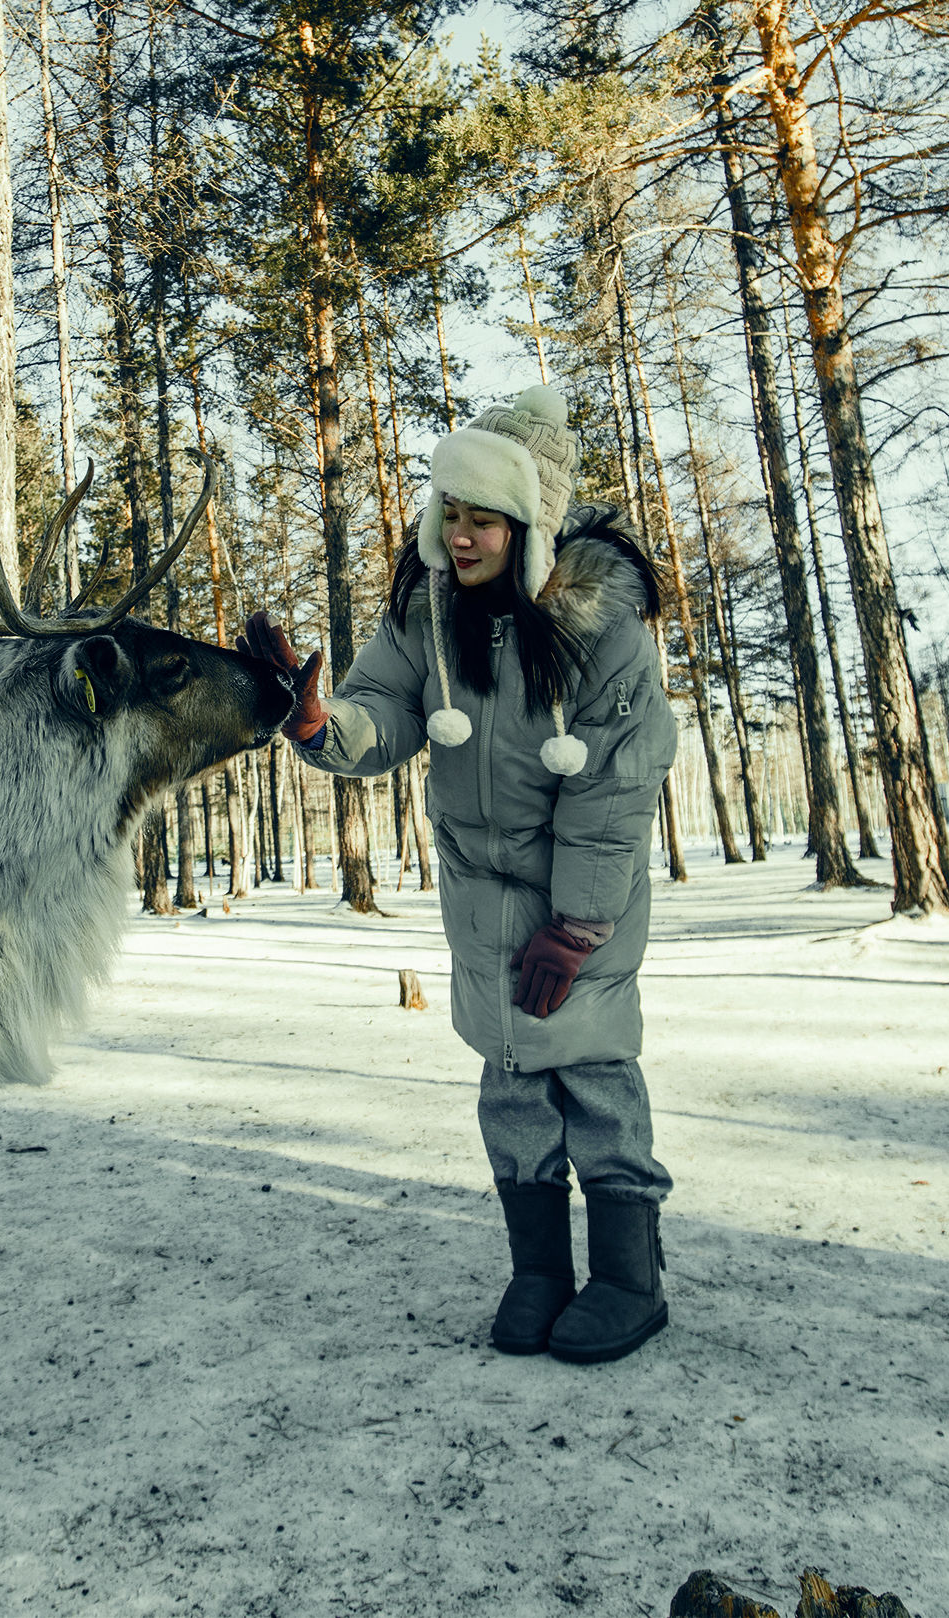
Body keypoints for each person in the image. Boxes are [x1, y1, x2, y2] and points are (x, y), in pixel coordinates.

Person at [240, 384, 680, 1364]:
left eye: (484, 518)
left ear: (527, 523)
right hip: (476, 896)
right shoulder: (428, 610)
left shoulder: (600, 624)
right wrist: (317, 725)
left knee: (593, 1073)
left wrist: (580, 925)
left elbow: (614, 788)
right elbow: (383, 710)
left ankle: (626, 1278)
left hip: (579, 891)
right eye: (453, 514)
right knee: (511, 1078)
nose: (464, 535)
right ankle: (537, 1270)